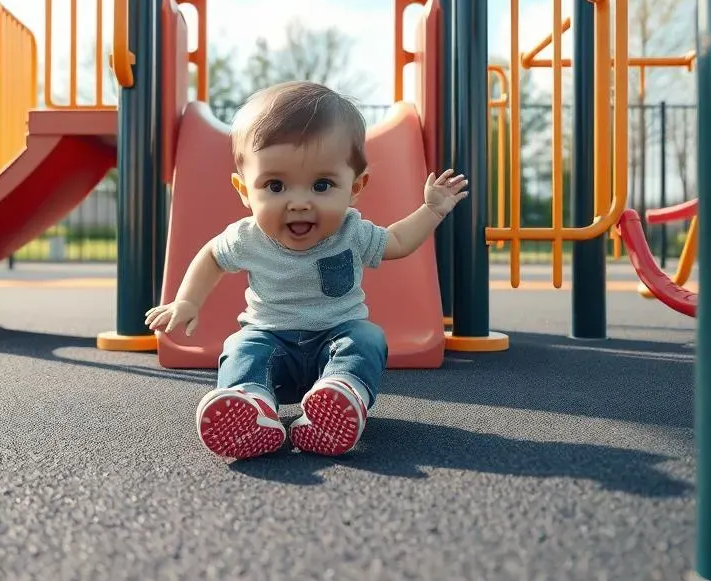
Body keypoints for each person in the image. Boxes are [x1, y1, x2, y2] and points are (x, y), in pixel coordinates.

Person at [144, 80, 468, 460]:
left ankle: (339, 395)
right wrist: (187, 301)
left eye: (321, 184)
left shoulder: (352, 231)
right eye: (275, 186)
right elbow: (212, 257)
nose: (299, 203)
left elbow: (396, 242)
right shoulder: (247, 237)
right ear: (245, 191)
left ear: (355, 187)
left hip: (335, 340)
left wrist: (431, 211)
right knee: (240, 346)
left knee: (367, 338)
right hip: (271, 342)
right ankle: (251, 403)